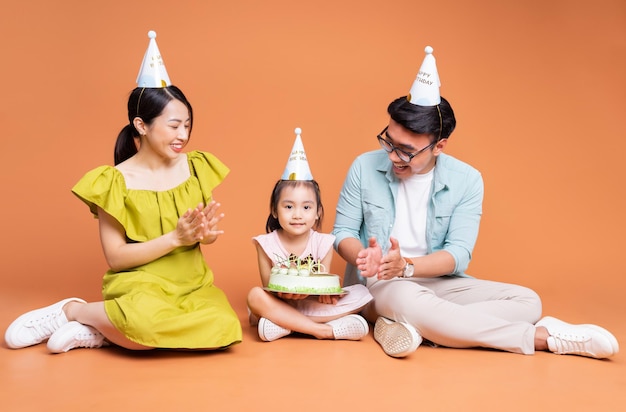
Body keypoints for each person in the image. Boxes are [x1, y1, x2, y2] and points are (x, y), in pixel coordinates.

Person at [332, 46, 619, 359]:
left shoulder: (467, 179)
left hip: (437, 283)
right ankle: (542, 338)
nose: (392, 156)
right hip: (381, 285)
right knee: (406, 299)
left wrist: (408, 267)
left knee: (528, 301)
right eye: (388, 141)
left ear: (438, 145)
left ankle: (419, 327)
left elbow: (458, 254)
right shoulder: (363, 166)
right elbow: (342, 231)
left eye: (405, 150)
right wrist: (365, 258)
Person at [4, 31, 242, 353]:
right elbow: (116, 258)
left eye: (187, 124)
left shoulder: (197, 167)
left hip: (191, 284)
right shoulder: (114, 181)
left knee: (224, 326)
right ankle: (73, 311)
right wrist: (176, 238)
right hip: (141, 285)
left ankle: (98, 331)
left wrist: (205, 234)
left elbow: (202, 234)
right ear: (142, 125)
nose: (183, 134)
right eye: (174, 126)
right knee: (144, 324)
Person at [247, 129, 373, 342]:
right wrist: (284, 295)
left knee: (362, 292)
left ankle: (284, 326)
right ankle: (323, 330)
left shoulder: (324, 242)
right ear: (275, 211)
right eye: (288, 206)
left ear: (317, 213)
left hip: (310, 305)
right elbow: (269, 285)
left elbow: (320, 284)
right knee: (255, 296)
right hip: (280, 303)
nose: (297, 215)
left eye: (306, 207)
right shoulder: (265, 243)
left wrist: (329, 292)